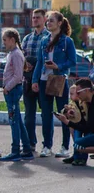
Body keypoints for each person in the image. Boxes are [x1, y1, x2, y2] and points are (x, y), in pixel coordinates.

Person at [31, 10, 76, 158]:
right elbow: (39, 62)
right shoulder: (44, 40)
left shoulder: (67, 41)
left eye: (51, 20)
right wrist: (35, 80)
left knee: (63, 113)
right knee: (46, 114)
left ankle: (64, 147)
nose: (48, 23)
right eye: (48, 20)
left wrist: (58, 66)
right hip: (44, 80)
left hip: (59, 80)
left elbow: (72, 61)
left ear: (59, 23)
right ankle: (47, 146)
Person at [0, 29, 34, 161]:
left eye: (5, 40)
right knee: (17, 120)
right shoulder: (12, 54)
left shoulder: (16, 54)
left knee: (13, 121)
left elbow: (18, 76)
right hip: (11, 90)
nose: (4, 43)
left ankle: (15, 151)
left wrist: (7, 88)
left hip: (13, 90)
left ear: (12, 40)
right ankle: (26, 149)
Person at [22, 9, 49, 151]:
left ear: (45, 19)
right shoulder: (27, 38)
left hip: (44, 80)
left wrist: (37, 62)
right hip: (28, 80)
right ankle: (30, 143)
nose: (35, 20)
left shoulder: (50, 37)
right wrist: (26, 63)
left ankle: (47, 145)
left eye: (38, 17)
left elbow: (51, 58)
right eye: (33, 18)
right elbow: (21, 56)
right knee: (29, 114)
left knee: (46, 114)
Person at [57, 78, 94, 166]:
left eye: (78, 92)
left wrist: (67, 122)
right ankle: (77, 157)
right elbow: (88, 127)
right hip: (88, 128)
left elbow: (88, 127)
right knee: (77, 144)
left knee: (79, 144)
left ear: (87, 90)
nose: (77, 95)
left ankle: (81, 158)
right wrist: (67, 117)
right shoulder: (88, 102)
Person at [61, 85, 88, 165]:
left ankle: (83, 158)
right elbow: (66, 111)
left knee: (84, 142)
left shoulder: (83, 102)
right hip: (76, 125)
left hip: (86, 125)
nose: (70, 96)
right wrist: (66, 111)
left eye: (72, 94)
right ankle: (76, 157)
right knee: (76, 141)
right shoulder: (71, 103)